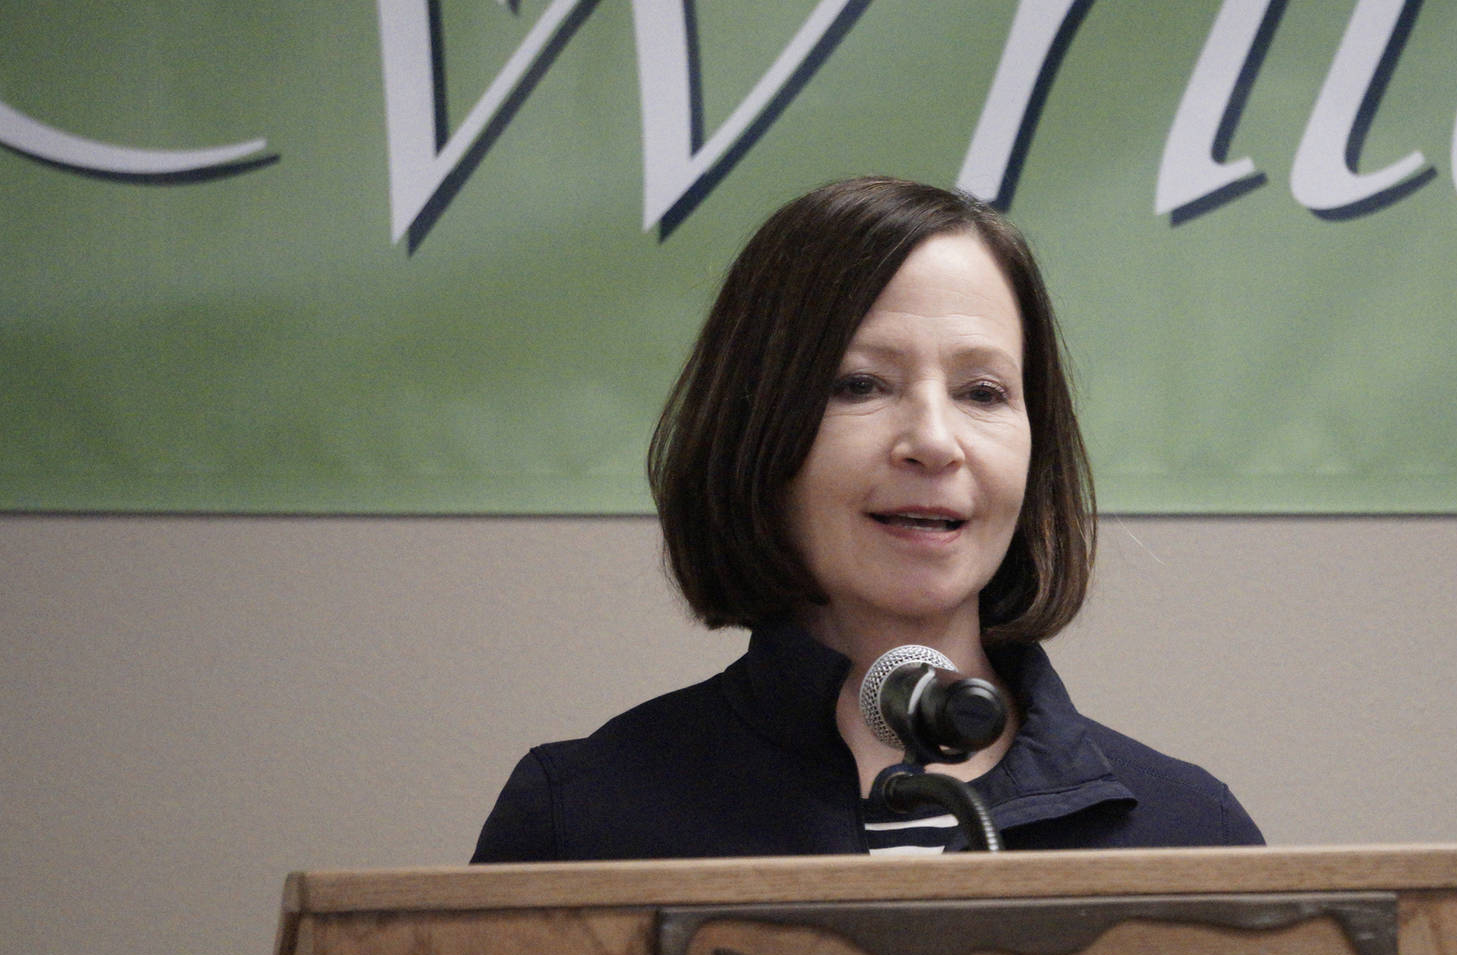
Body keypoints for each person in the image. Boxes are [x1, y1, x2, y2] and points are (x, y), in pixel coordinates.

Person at [473, 176, 1260, 861]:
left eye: (982, 392)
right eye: (860, 384)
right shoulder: (580, 822)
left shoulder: (1192, 832)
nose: (932, 441)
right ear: (757, 430)